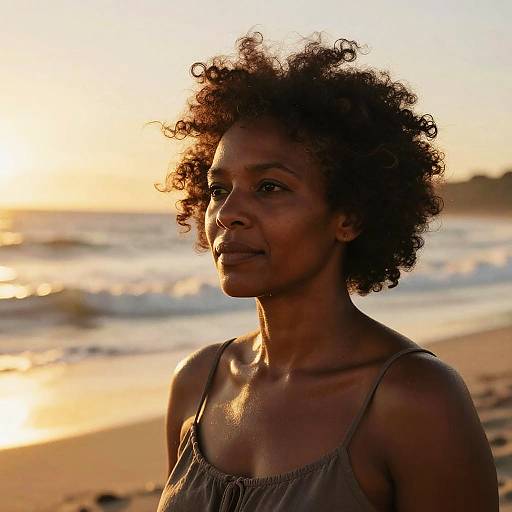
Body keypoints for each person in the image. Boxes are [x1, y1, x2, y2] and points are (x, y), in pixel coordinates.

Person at [154, 32, 498, 511]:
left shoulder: (415, 400)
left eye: (269, 187)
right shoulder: (196, 382)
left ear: (349, 217)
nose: (228, 212)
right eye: (217, 189)